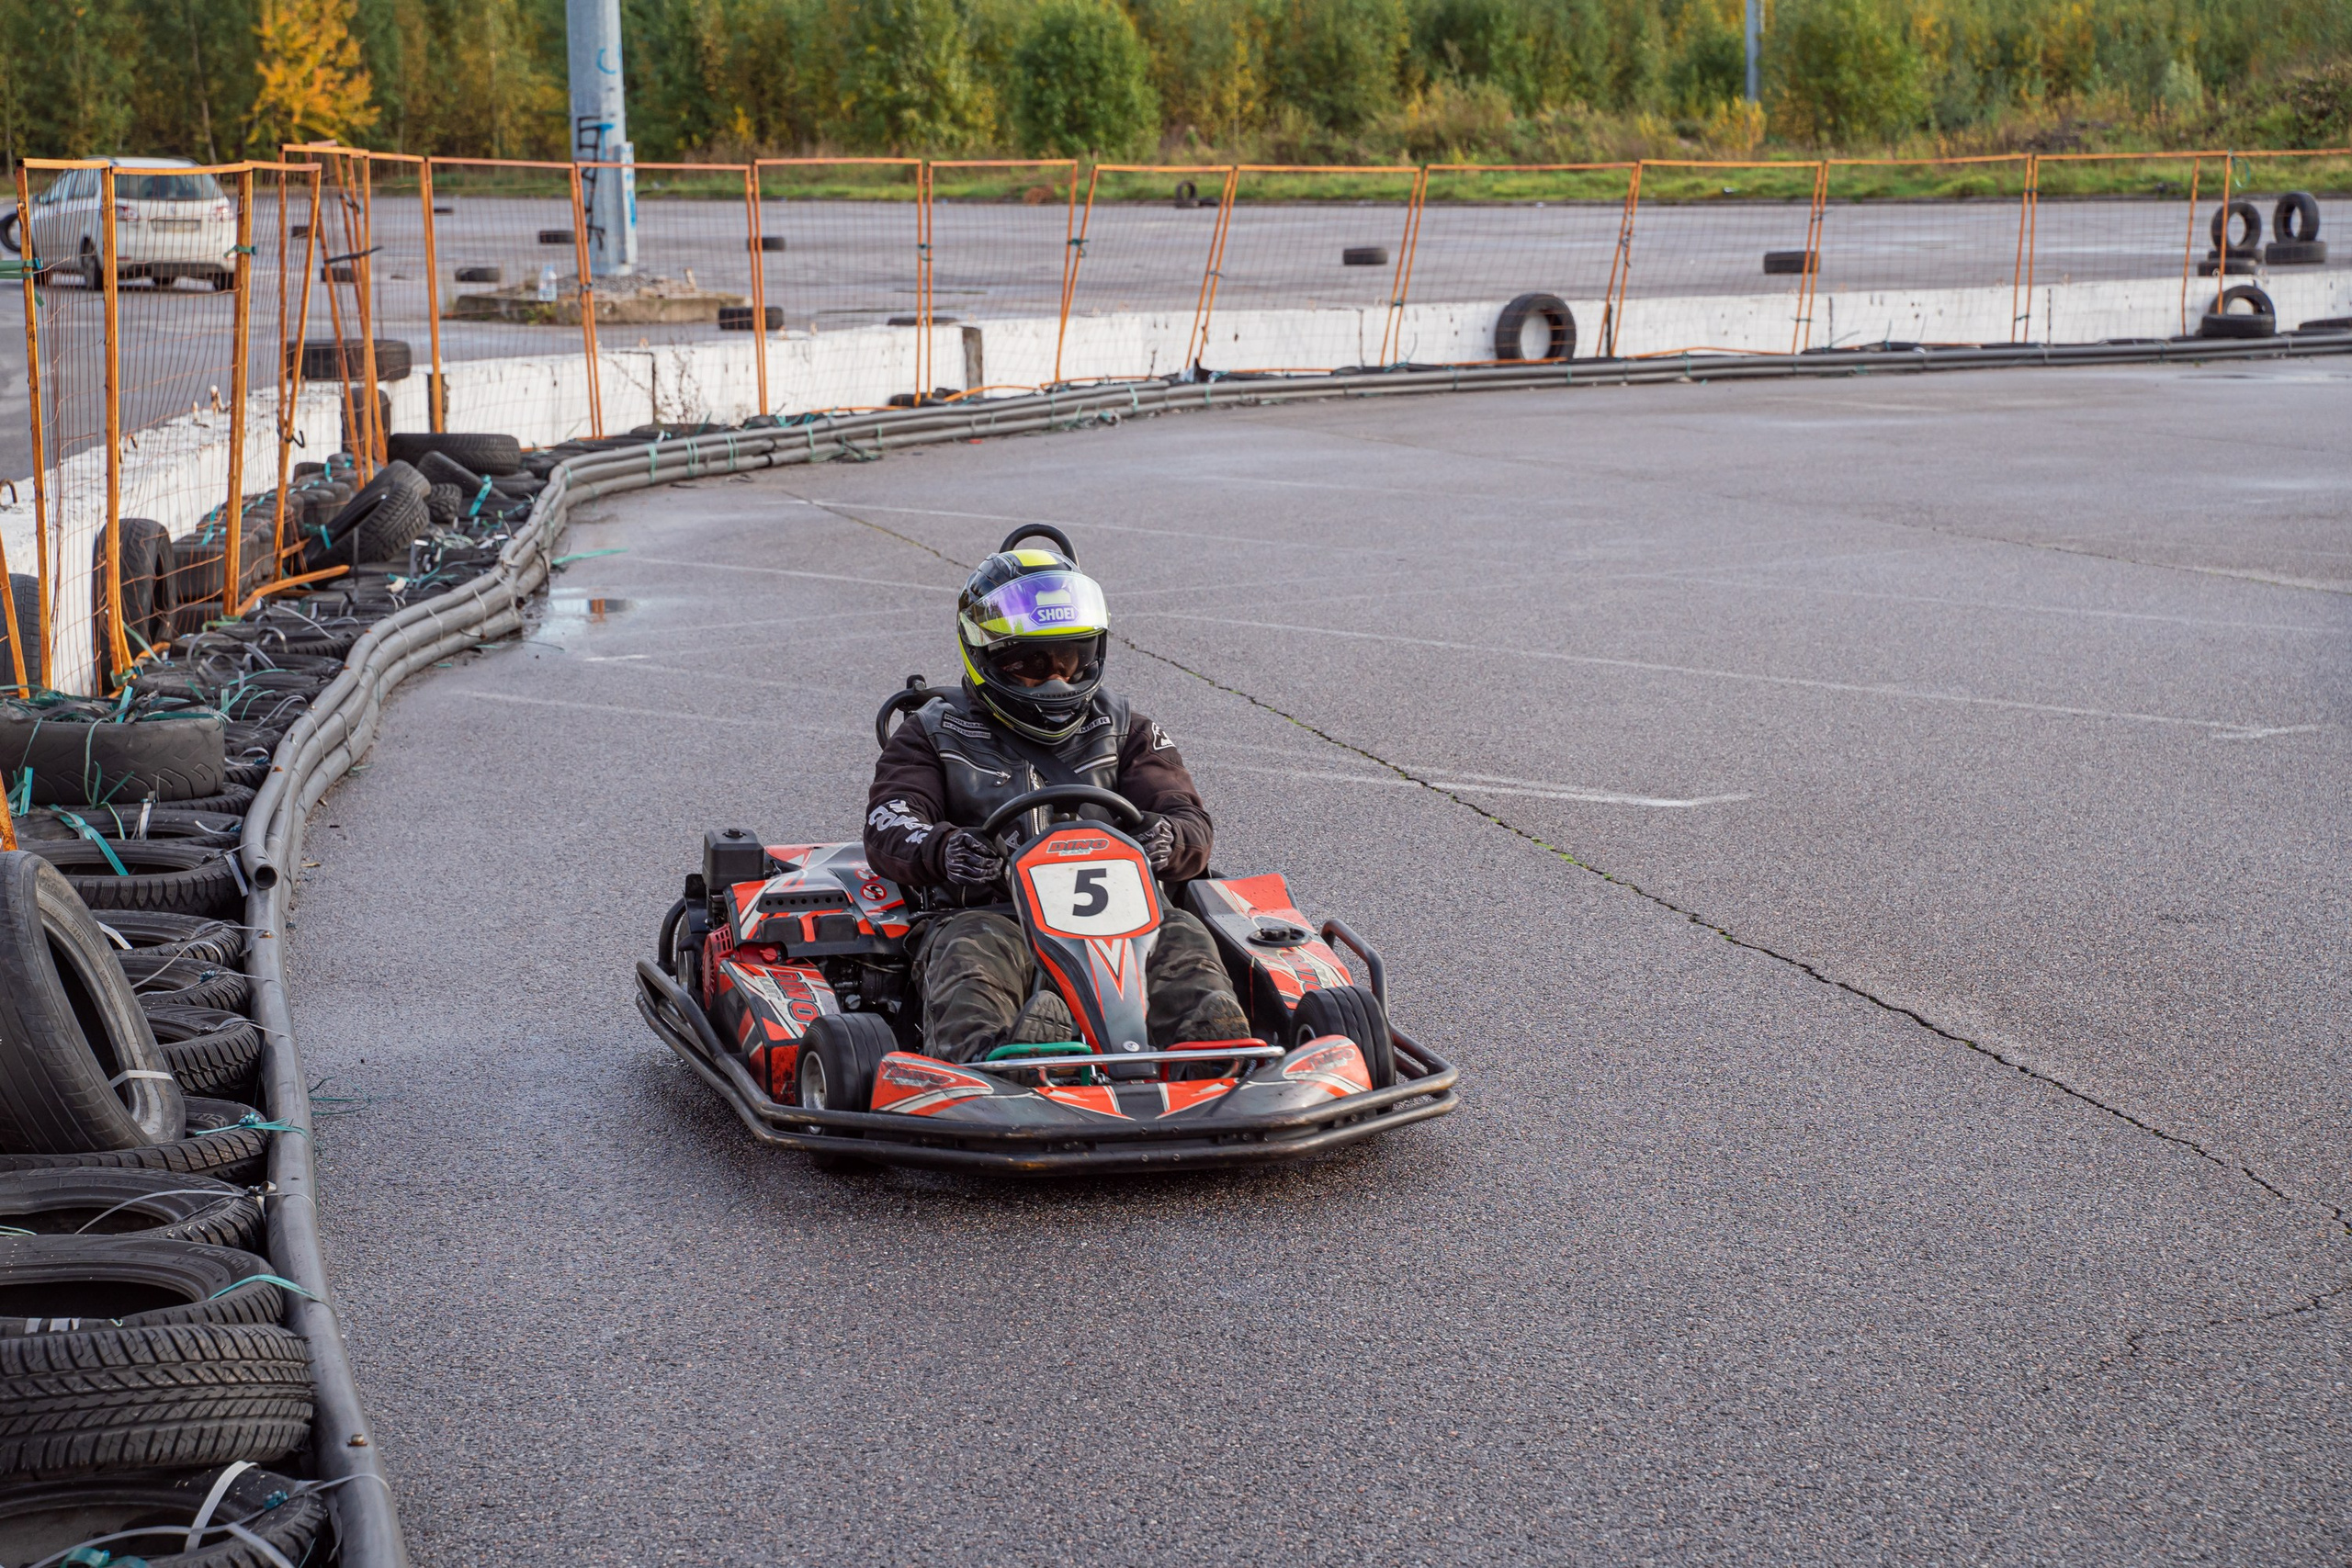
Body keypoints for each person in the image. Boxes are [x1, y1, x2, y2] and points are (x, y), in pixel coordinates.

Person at [863, 540, 1252, 1062]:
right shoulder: (932, 733)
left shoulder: (1124, 727)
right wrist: (944, 848)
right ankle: (998, 1064)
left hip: (1124, 919)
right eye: (1031, 663)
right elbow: (891, 821)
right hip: (994, 913)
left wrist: (1169, 838)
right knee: (972, 951)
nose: (1055, 680)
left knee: (1181, 932)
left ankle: (1208, 1052)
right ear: (987, 656)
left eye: (1071, 661)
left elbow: (1187, 816)